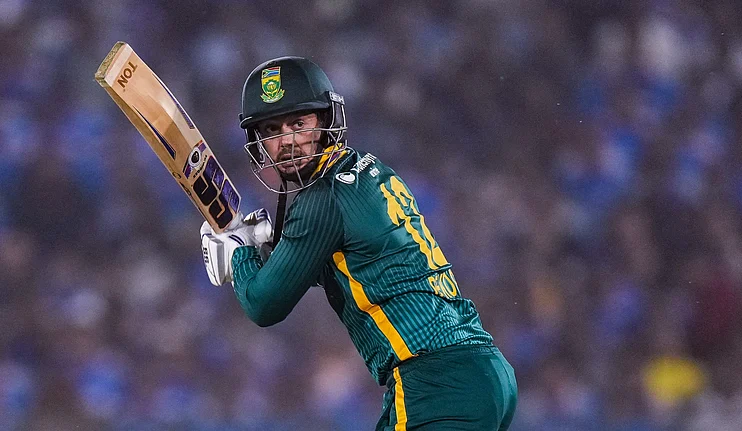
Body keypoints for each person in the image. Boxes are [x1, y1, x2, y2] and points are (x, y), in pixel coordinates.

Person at [199, 56, 518, 430]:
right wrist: (266, 247)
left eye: (298, 123)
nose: (286, 141)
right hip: (481, 370)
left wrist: (238, 257)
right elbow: (352, 261)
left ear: (325, 121)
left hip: (433, 382)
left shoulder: (323, 197)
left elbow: (263, 305)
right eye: (272, 129)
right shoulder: (367, 169)